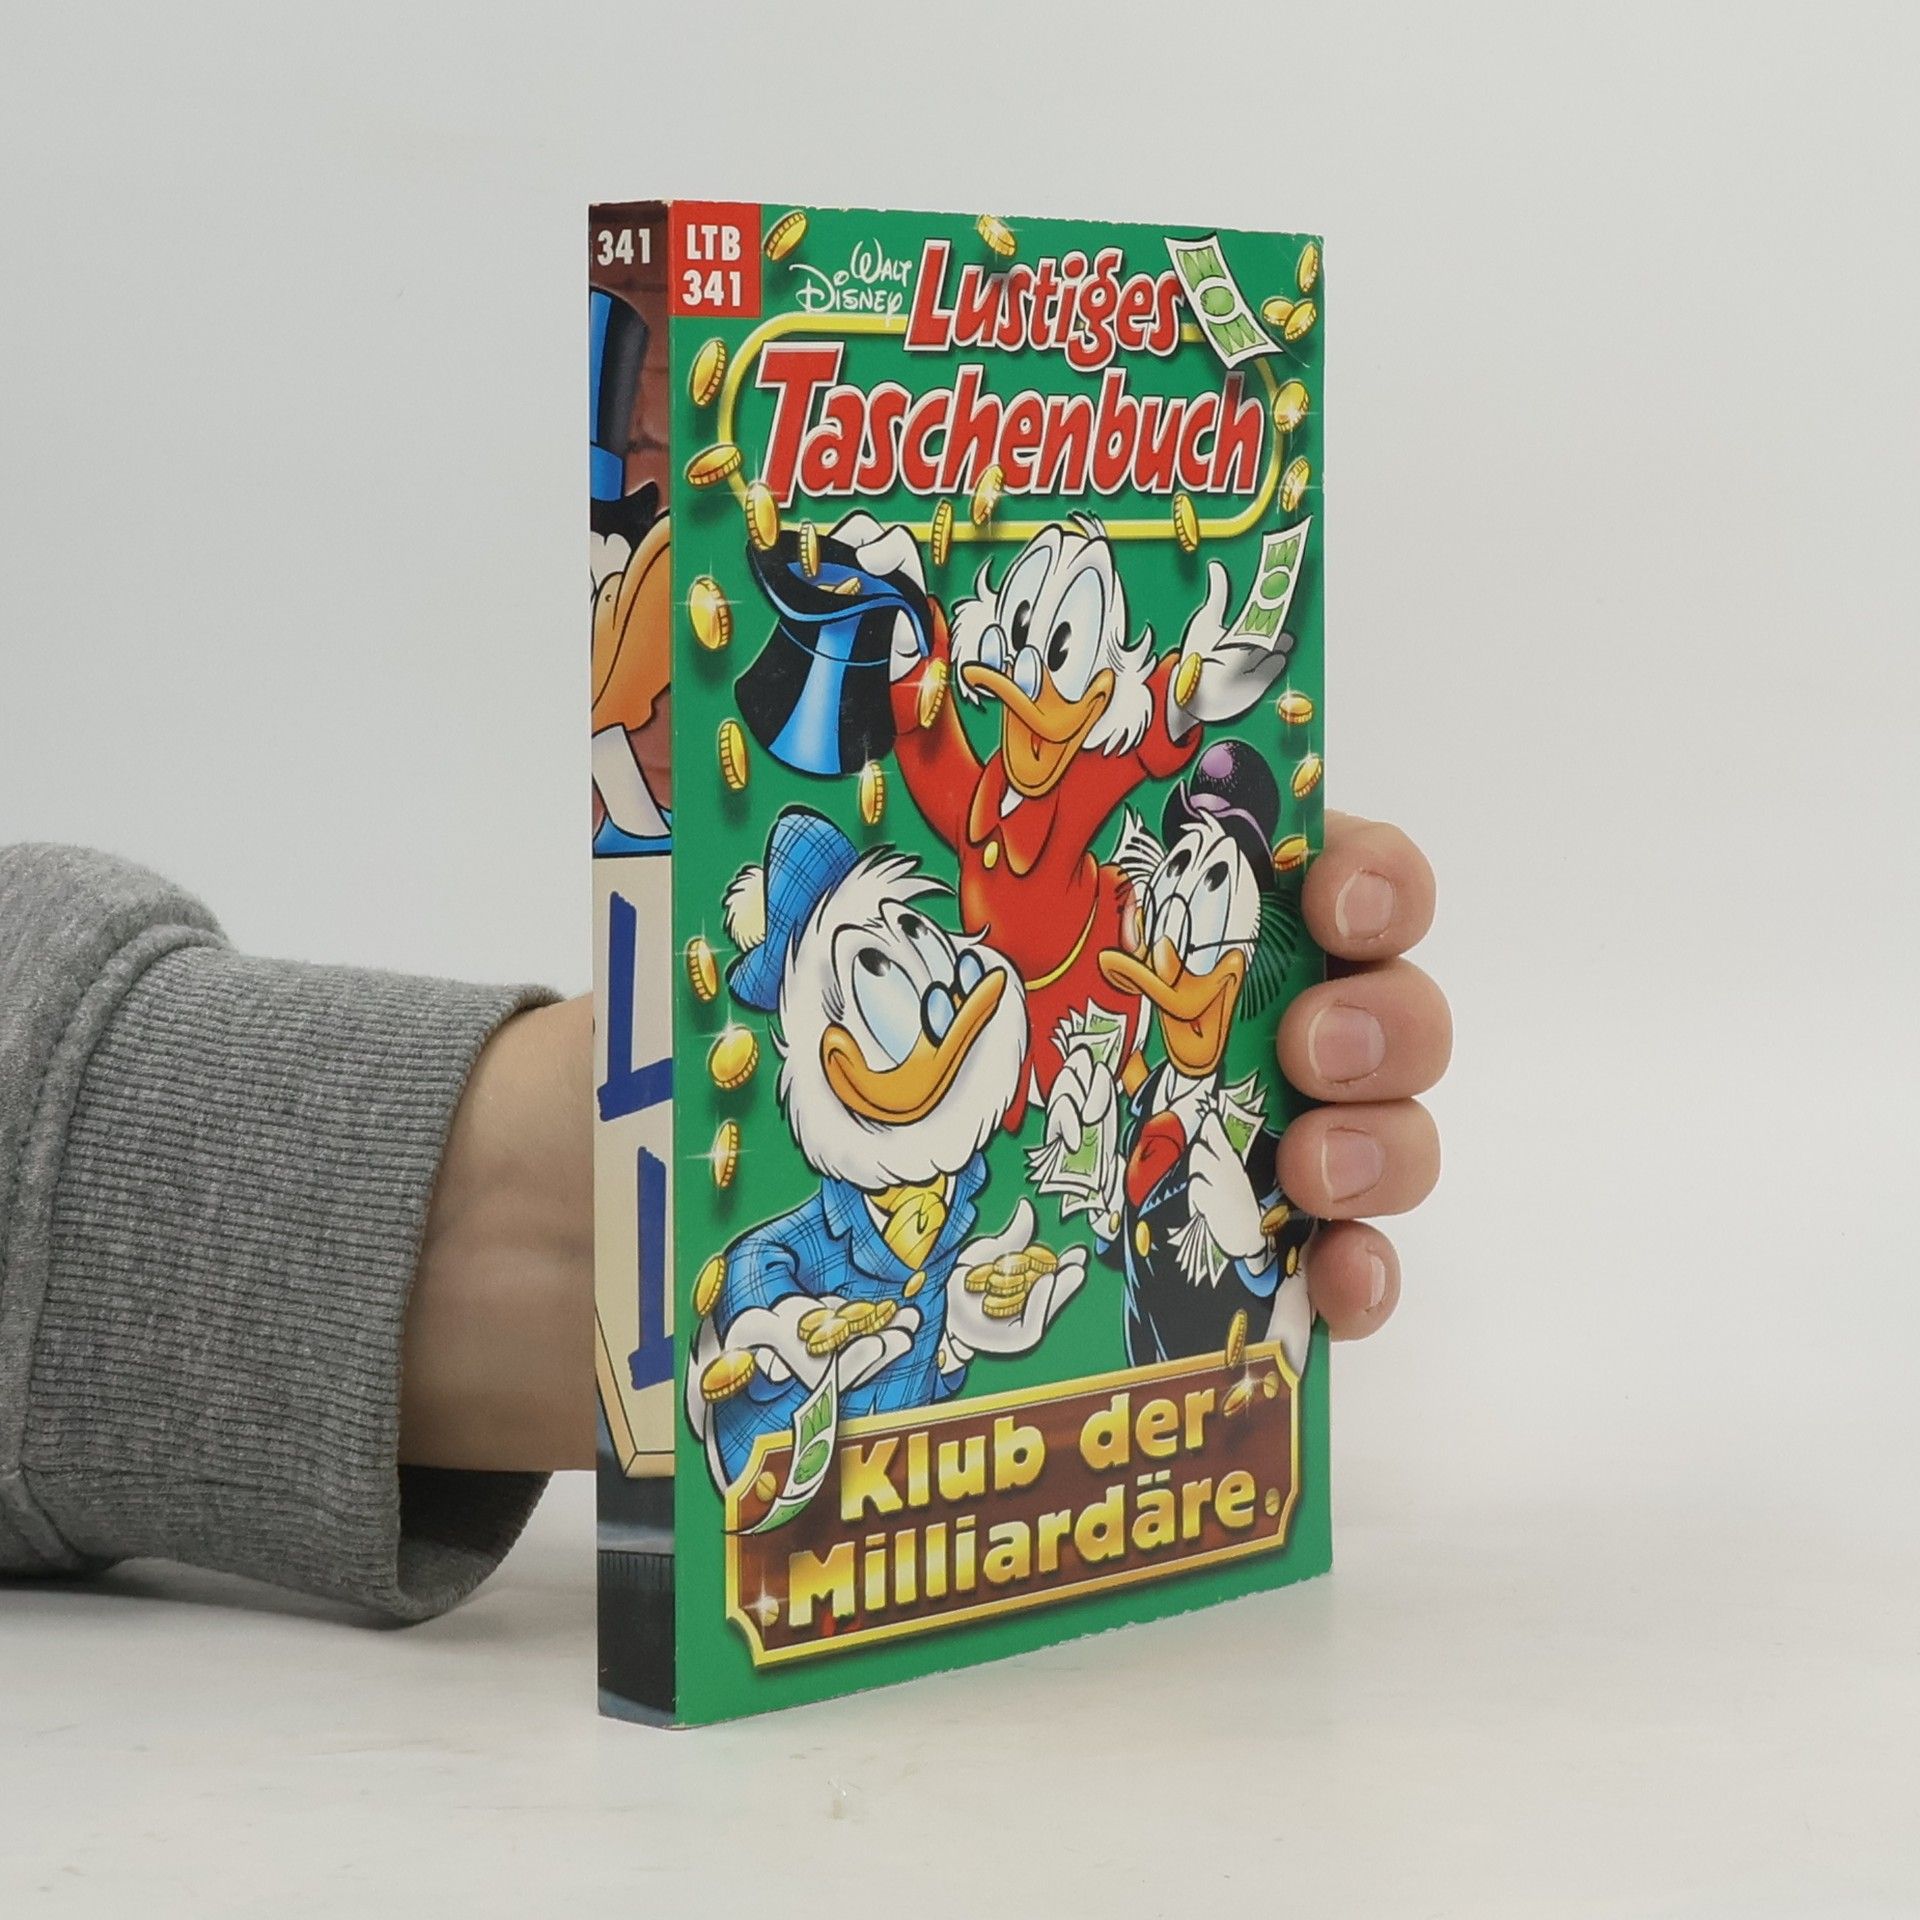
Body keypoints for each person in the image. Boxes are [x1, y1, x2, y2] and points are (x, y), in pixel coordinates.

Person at [0, 818, 1448, 1620]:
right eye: (876, 967)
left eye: (926, 941)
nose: (941, 978)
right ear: (817, 1058)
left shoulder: (993, 1201)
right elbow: (754, 1429)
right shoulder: (772, 1267)